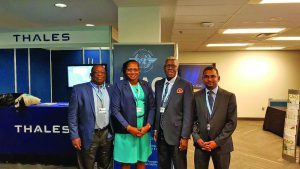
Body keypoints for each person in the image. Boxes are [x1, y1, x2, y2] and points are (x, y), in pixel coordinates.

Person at [111, 60, 155, 169]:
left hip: (143, 128)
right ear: (125, 71)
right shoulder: (119, 86)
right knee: (126, 161)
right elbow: (115, 110)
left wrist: (148, 126)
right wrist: (129, 127)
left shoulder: (145, 85)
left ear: (139, 71)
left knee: (141, 159)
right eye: (129, 69)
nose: (132, 72)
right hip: (126, 129)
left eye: (135, 69)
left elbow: (152, 107)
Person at [68, 64, 113, 169]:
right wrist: (75, 136)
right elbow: (72, 115)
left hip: (107, 134)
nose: (99, 75)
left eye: (102, 72)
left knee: (105, 164)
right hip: (88, 134)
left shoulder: (111, 88)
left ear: (105, 75)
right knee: (86, 165)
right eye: (96, 72)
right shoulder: (79, 89)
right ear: (91, 75)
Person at [192, 66, 237, 169]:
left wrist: (216, 142)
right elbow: (193, 120)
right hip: (201, 145)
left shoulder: (229, 97)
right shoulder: (196, 96)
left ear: (218, 78)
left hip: (222, 145)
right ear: (202, 78)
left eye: (213, 76)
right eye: (206, 77)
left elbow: (232, 122)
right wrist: (197, 138)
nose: (210, 79)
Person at [154, 56, 193, 169]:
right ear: (164, 68)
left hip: (177, 135)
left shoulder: (186, 85)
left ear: (177, 67)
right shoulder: (159, 84)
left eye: (173, 66)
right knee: (163, 165)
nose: (170, 68)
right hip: (161, 134)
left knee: (179, 165)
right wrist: (156, 128)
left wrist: (185, 137)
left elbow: (188, 113)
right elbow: (158, 107)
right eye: (168, 66)